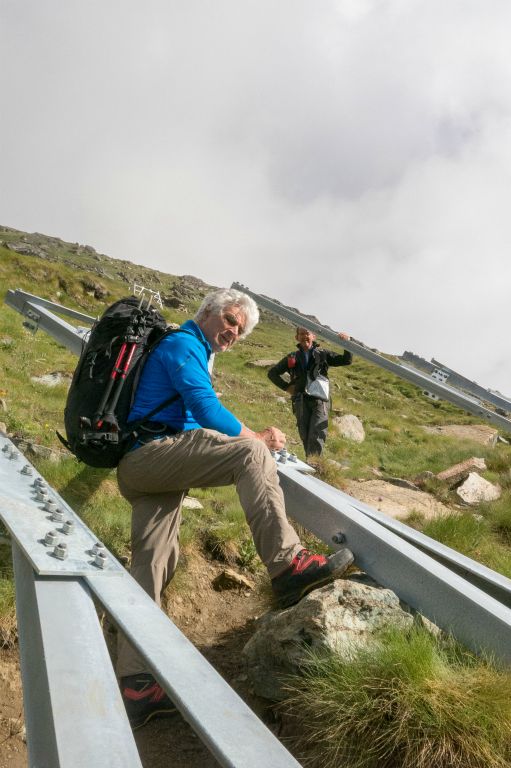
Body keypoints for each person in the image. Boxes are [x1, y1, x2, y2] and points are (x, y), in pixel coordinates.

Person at [116, 288, 354, 729]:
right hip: (152, 456)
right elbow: (206, 410)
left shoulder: (192, 349)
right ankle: (288, 566)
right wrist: (257, 438)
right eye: (229, 320)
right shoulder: (183, 344)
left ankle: (136, 683)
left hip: (145, 468)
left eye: (239, 330)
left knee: (153, 564)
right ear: (206, 311)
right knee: (250, 454)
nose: (232, 332)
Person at [268, 327, 353, 459]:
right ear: (297, 338)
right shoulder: (292, 357)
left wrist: (347, 342)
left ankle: (313, 466)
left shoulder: (323, 353)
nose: (304, 336)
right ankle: (311, 464)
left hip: (320, 401)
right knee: (305, 434)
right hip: (300, 401)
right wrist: (286, 387)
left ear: (314, 336)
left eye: (307, 333)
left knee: (317, 433)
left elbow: (346, 360)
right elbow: (272, 373)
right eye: (301, 334)